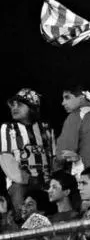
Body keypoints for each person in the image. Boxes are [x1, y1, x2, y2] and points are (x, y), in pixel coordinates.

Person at [1, 88, 55, 220]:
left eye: (19, 104)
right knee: (23, 218)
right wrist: (27, 179)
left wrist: (51, 180)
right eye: (12, 105)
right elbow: (6, 159)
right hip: (20, 183)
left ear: (32, 107)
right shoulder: (8, 128)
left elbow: (53, 155)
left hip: (45, 183)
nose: (14, 108)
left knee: (47, 217)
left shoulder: (46, 127)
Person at [55, 86, 90, 175]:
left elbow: (63, 152)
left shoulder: (76, 116)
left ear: (81, 97)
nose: (63, 103)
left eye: (67, 97)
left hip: (83, 172)